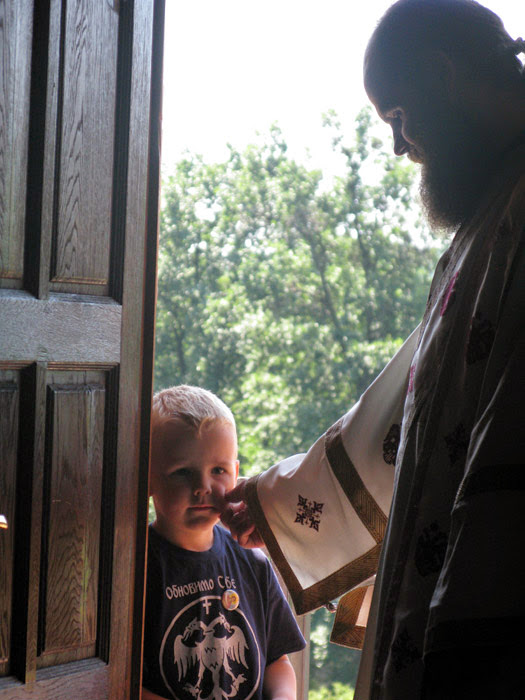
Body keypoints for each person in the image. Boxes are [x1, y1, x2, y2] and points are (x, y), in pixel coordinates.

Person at [222, 1, 525, 699]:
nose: (397, 146)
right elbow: (422, 408)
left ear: (443, 75)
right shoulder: (490, 214)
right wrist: (281, 498)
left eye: (397, 115)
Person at [142, 385, 305, 700]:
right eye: (182, 472)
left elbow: (278, 661)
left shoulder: (252, 561)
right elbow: (121, 681)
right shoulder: (136, 568)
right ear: (146, 477)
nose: (202, 486)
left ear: (236, 473)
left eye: (218, 470)